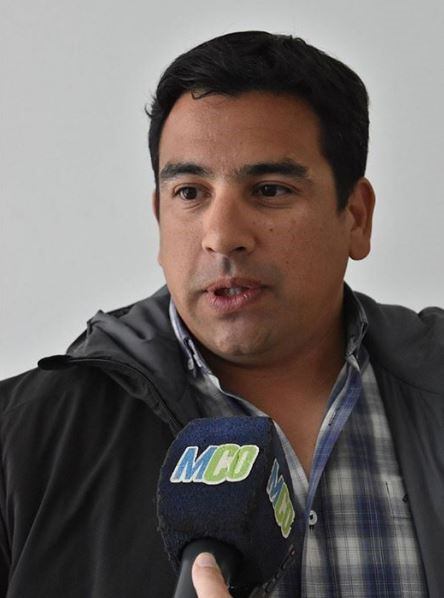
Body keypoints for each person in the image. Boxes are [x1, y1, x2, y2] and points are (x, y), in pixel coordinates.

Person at [0, 30, 442, 598]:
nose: (221, 235)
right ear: (160, 217)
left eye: (270, 190)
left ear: (355, 217)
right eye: (190, 192)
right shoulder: (18, 438)